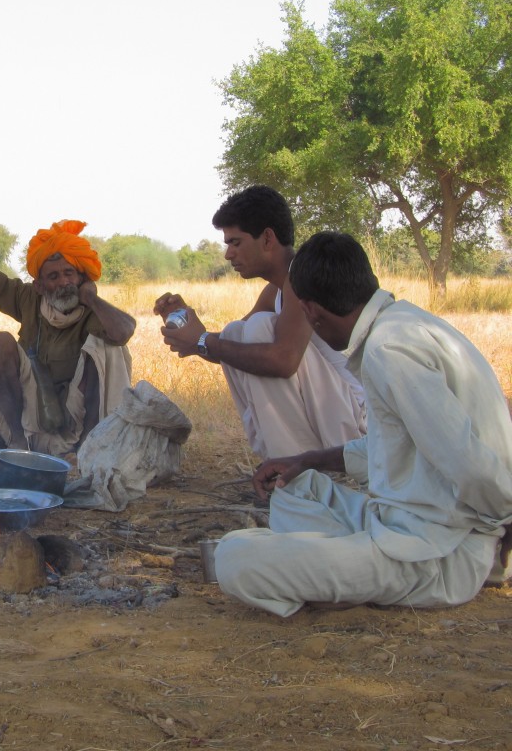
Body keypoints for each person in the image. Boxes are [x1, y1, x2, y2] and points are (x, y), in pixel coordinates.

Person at [215, 231, 512, 617]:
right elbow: (401, 446)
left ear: (311, 312)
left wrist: (505, 517)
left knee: (234, 556)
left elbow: (466, 459)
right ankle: (345, 568)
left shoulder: (389, 351)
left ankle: (354, 580)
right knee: (293, 487)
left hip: (433, 554)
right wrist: (308, 459)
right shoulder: (404, 324)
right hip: (400, 526)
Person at [0, 159, 135, 456]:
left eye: (70, 274)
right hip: (36, 414)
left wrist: (92, 298)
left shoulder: (93, 309)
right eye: (53, 277)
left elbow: (123, 331)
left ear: (83, 276)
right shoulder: (28, 299)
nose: (63, 283)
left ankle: (89, 451)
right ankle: (17, 445)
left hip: (81, 420)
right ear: (40, 285)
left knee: (107, 348)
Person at [154, 186, 365, 459]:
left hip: (361, 431)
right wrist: (187, 328)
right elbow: (228, 348)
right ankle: (287, 461)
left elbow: (283, 360)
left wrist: (202, 340)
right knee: (235, 332)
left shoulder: (303, 280)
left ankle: (295, 468)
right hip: (337, 421)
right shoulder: (275, 292)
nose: (228, 254)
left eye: (236, 243)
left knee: (257, 329)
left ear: (267, 238)